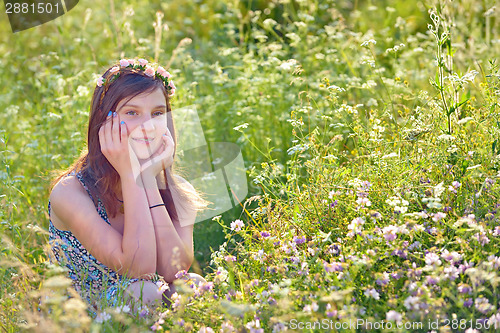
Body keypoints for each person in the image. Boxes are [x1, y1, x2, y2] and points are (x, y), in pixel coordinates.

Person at [47, 58, 209, 315]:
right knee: (143, 291)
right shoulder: (71, 193)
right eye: (132, 112)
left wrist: (148, 180)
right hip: (80, 316)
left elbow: (173, 270)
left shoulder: (179, 191)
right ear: (104, 121)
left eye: (157, 113)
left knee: (194, 285)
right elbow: (140, 270)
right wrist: (129, 172)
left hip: (149, 304)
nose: (149, 126)